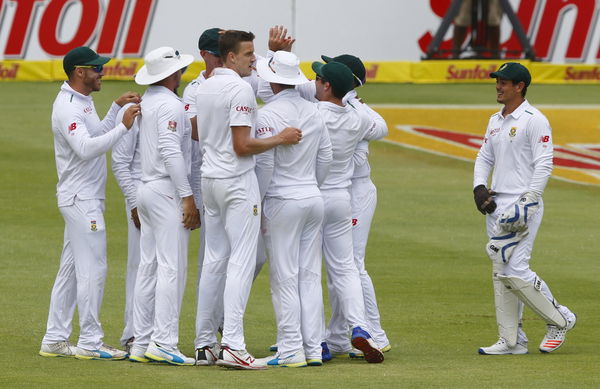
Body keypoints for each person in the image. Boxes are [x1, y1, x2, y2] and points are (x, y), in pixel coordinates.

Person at [193, 30, 301, 370]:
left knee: (214, 260)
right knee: (240, 261)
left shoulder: (206, 84)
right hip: (236, 182)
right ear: (231, 57)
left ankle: (204, 344)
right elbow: (243, 145)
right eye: (249, 53)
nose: (254, 59)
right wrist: (280, 138)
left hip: (210, 179)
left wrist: (272, 55)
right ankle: (234, 345)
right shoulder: (238, 88)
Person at [39, 46, 141, 360]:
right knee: (93, 268)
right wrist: (123, 126)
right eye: (96, 68)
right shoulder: (68, 106)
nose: (102, 72)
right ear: (80, 72)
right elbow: (85, 148)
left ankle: (54, 338)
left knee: (70, 270)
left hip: (81, 197)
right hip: (81, 199)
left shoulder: (82, 100)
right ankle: (91, 342)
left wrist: (114, 109)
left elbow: (94, 131)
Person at [474, 62, 577, 355]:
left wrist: (530, 199)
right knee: (502, 270)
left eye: (504, 82)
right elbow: (484, 157)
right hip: (496, 203)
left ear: (520, 86)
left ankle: (560, 319)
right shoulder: (495, 120)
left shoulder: (535, 120)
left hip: (523, 203)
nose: (498, 86)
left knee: (516, 268)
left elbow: (544, 163)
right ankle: (512, 340)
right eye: (497, 81)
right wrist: (479, 188)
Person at [254, 51, 332, 367]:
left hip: (282, 200)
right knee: (309, 275)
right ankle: (313, 349)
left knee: (284, 276)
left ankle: (290, 348)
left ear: (271, 80)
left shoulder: (267, 114)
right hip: (312, 197)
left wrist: (257, 204)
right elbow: (325, 158)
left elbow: (265, 165)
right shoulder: (313, 111)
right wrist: (310, 185)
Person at [128, 46, 199, 365]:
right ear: (172, 74)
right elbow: (171, 151)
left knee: (149, 267)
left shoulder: (150, 101)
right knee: (172, 267)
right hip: (166, 190)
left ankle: (142, 342)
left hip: (146, 187)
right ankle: (164, 342)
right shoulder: (171, 105)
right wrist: (187, 196)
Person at [318, 54, 391, 357]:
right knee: (341, 268)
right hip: (343, 191)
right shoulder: (348, 109)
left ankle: (375, 332)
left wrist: (352, 109)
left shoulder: (358, 110)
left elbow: (381, 128)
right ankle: (336, 336)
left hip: (356, 190)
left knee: (352, 265)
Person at [111, 104, 141, 354]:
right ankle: (133, 334)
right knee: (139, 264)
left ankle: (156, 335)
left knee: (168, 267)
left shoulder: (181, 103)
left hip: (174, 194)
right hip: (141, 194)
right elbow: (120, 162)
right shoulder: (134, 109)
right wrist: (133, 203)